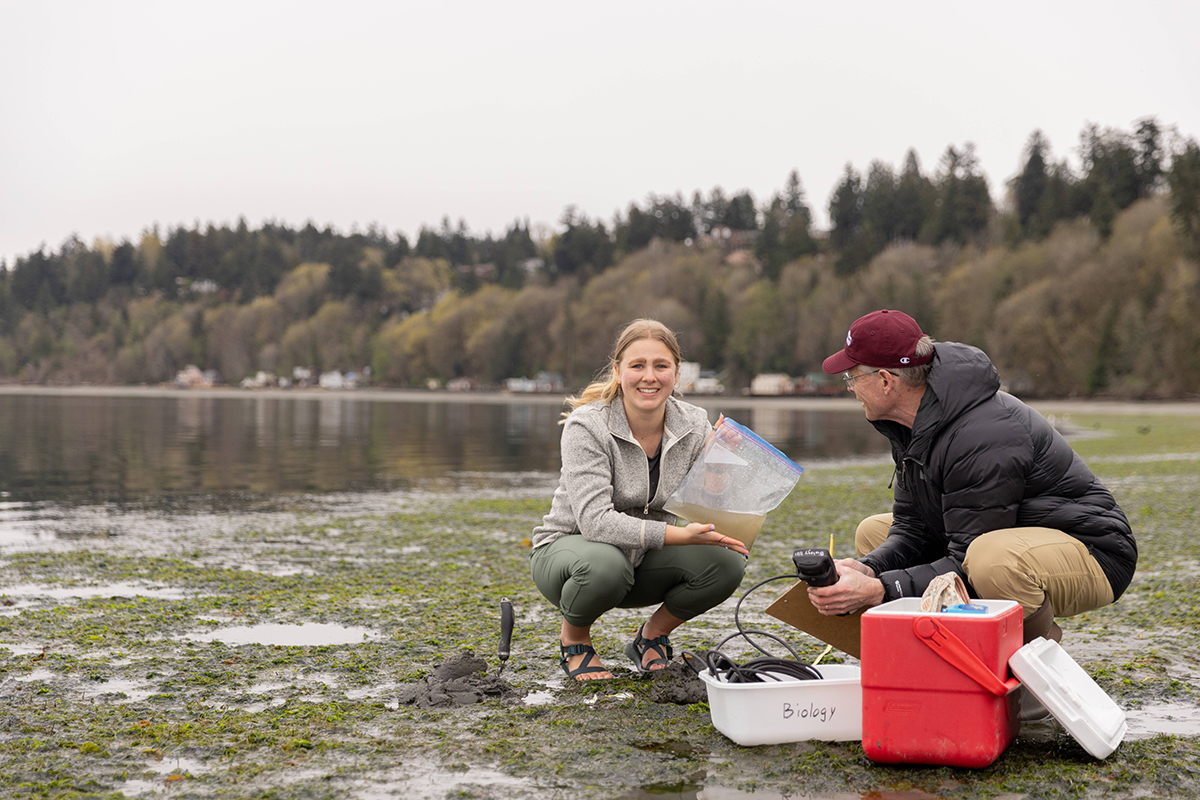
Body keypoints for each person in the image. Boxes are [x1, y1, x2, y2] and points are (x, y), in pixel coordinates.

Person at [806, 309, 1137, 649]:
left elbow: (966, 560)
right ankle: (931, 650)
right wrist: (868, 569)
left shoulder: (983, 433)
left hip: (1094, 552)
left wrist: (881, 589)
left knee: (990, 561)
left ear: (886, 381)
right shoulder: (908, 425)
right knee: (873, 531)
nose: (850, 388)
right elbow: (911, 527)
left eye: (851, 377)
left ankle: (1027, 663)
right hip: (1001, 537)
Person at [531, 319, 748, 680]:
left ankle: (651, 636)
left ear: (676, 374)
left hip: (642, 563)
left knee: (727, 562)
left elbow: (709, 508)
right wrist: (679, 536)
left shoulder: (695, 423)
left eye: (661, 366)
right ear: (618, 372)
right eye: (637, 365)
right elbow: (595, 523)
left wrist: (717, 464)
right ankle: (575, 640)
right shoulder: (587, 425)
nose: (650, 377)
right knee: (605, 565)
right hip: (573, 559)